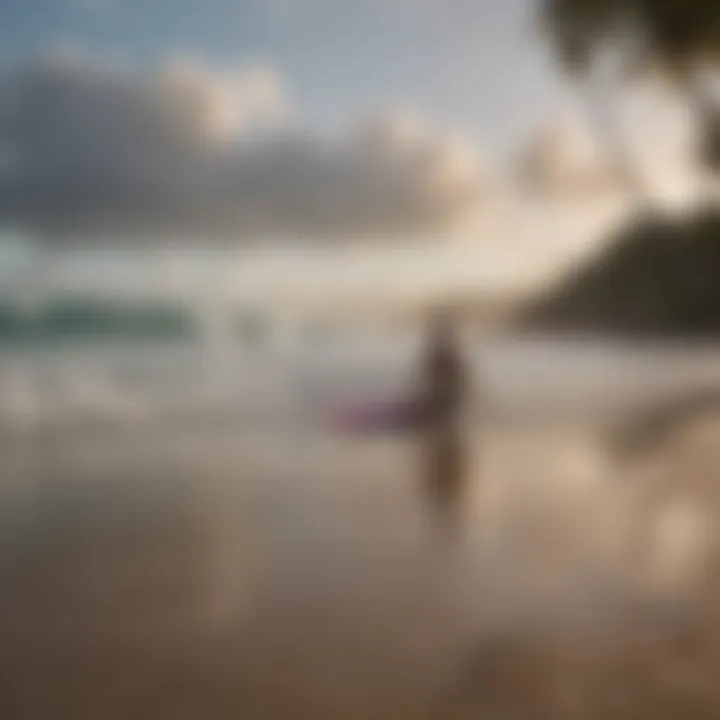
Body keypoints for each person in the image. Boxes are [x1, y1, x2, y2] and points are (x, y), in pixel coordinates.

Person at [419, 308, 469, 535]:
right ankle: (443, 435)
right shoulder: (442, 352)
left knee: (443, 430)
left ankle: (443, 436)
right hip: (444, 394)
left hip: (446, 394)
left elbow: (460, 375)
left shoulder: (446, 352)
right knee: (443, 428)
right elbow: (428, 373)